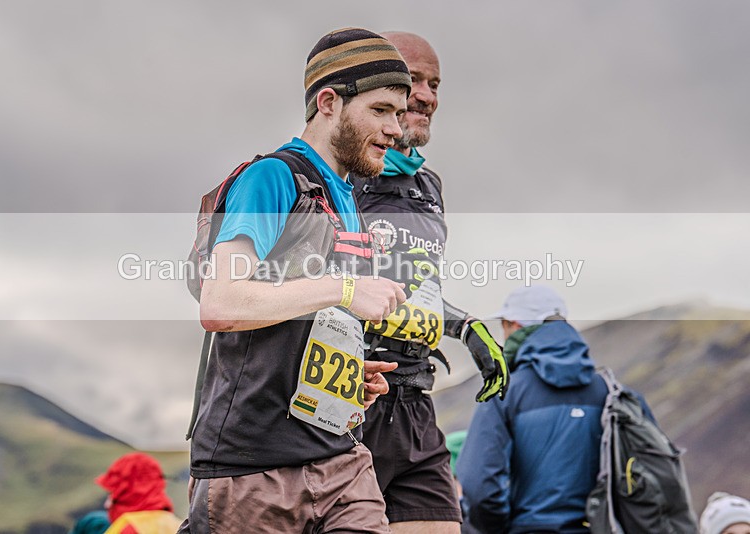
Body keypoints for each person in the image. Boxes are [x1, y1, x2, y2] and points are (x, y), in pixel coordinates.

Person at [181, 28, 416, 533]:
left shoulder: (346, 199)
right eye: (381, 110)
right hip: (252, 470)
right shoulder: (272, 177)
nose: (397, 129)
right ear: (328, 102)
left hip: (341, 460)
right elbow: (221, 303)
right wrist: (348, 289)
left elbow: (305, 322)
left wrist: (350, 377)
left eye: (400, 113)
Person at [352, 32, 508, 534]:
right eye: (412, 79)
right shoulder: (335, 172)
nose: (427, 95)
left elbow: (411, 287)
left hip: (415, 403)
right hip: (347, 402)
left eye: (434, 83)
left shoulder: (427, 184)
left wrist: (464, 328)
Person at [456, 285, 656, 534]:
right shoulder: (614, 393)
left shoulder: (504, 394)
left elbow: (479, 489)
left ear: (515, 325)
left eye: (504, 326)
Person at [95, 452, 182, 534]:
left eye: (113, 493)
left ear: (128, 494)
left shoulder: (129, 529)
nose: (107, 504)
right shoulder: (179, 525)